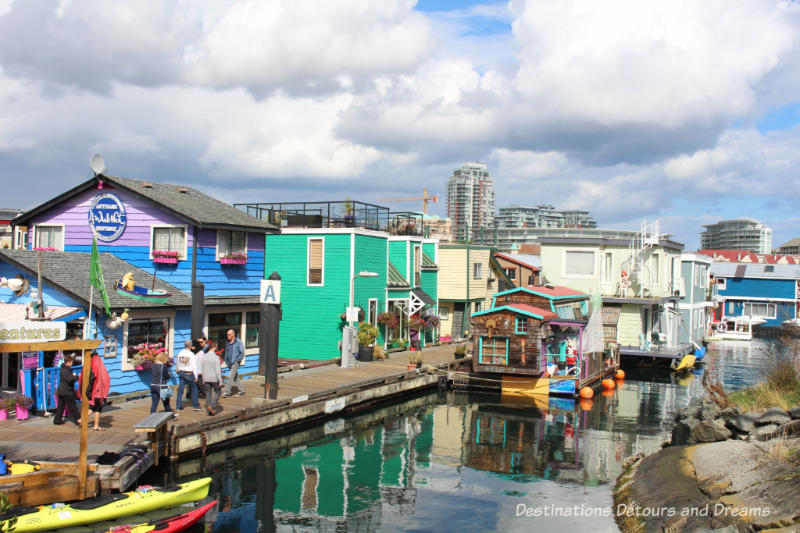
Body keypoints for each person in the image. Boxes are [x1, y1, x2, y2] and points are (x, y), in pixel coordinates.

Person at [78, 352, 110, 431]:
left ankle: (89, 422)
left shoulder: (89, 365)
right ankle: (91, 423)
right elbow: (104, 378)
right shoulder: (98, 364)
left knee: (93, 408)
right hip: (98, 391)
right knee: (97, 408)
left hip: (91, 391)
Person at [54, 354, 79, 426]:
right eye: (71, 362)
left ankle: (57, 420)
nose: (72, 363)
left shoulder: (64, 369)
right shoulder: (65, 370)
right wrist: (76, 377)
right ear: (68, 362)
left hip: (62, 391)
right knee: (73, 407)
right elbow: (70, 379)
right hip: (67, 391)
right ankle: (78, 420)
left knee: (60, 407)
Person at [175, 340, 201, 411]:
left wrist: (178, 370)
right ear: (190, 346)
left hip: (181, 372)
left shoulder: (180, 353)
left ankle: (178, 406)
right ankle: (196, 406)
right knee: (194, 388)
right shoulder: (191, 354)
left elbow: (177, 363)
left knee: (181, 389)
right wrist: (196, 376)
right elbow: (194, 366)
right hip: (189, 373)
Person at [200, 340, 222, 415]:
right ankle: (212, 406)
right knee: (218, 392)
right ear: (215, 347)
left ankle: (208, 411)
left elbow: (202, 368)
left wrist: (203, 378)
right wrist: (220, 380)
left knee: (208, 394)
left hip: (206, 378)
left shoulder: (204, 356)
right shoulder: (216, 357)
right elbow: (218, 370)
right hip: (214, 378)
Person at [150, 352, 176, 417]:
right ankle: (171, 416)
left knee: (154, 404)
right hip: (162, 386)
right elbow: (167, 377)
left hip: (153, 385)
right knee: (166, 403)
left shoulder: (153, 365)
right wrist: (169, 373)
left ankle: (152, 416)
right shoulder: (163, 367)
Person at [222, 329, 245, 397]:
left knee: (231, 376)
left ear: (233, 334)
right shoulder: (227, 342)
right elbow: (227, 351)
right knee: (235, 376)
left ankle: (227, 392)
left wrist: (238, 360)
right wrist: (225, 359)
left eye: (229, 334)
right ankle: (242, 390)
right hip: (229, 362)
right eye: (227, 334)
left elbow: (242, 352)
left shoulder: (238, 341)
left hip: (235, 362)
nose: (227, 336)